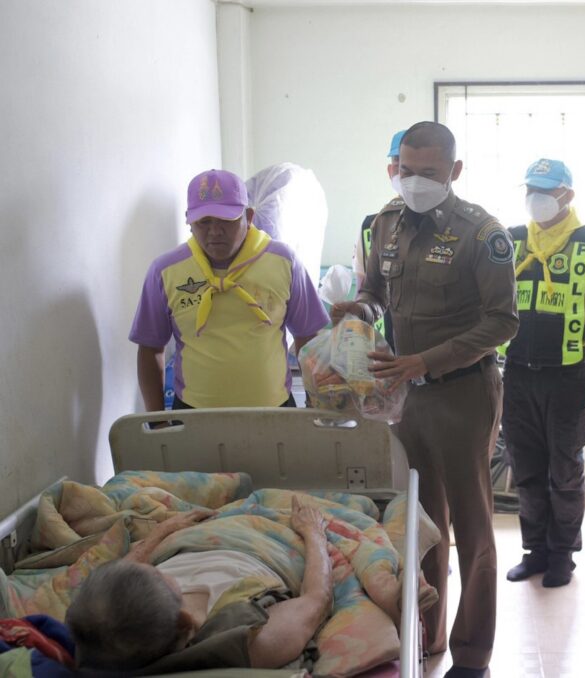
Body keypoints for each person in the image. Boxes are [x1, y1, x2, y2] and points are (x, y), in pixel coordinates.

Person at [331, 121, 517, 678]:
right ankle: (426, 635)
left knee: (473, 528)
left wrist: (426, 361)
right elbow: (375, 291)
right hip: (405, 397)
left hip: (464, 394)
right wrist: (360, 310)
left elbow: (503, 322)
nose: (414, 182)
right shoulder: (385, 223)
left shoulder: (482, 234)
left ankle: (473, 653)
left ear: (454, 171)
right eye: (405, 170)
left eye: (429, 173)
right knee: (421, 521)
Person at [502, 158, 585, 588]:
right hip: (517, 374)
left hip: (569, 376)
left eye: (546, 190)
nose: (536, 198)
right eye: (530, 189)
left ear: (567, 195)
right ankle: (535, 550)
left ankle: (562, 556)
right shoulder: (511, 242)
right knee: (526, 468)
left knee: (565, 470)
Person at [130, 169, 329, 410]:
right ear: (189, 222)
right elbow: (150, 349)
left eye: (227, 220)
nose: (215, 231)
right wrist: (157, 420)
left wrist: (316, 404)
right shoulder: (165, 271)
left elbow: (308, 338)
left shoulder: (284, 262)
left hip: (273, 413)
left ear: (249, 216)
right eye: (204, 222)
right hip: (194, 415)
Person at [65, 496, 332, 673]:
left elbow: (123, 575)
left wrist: (163, 530)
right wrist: (313, 532)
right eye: (155, 573)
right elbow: (316, 600)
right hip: (260, 546)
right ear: (184, 621)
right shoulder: (251, 643)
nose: (144, 564)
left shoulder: (96, 630)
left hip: (185, 541)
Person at [352, 129, 405, 349]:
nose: (406, 173)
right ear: (390, 171)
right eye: (399, 164)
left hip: (436, 357)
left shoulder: (456, 229)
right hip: (384, 350)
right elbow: (365, 289)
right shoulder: (372, 226)